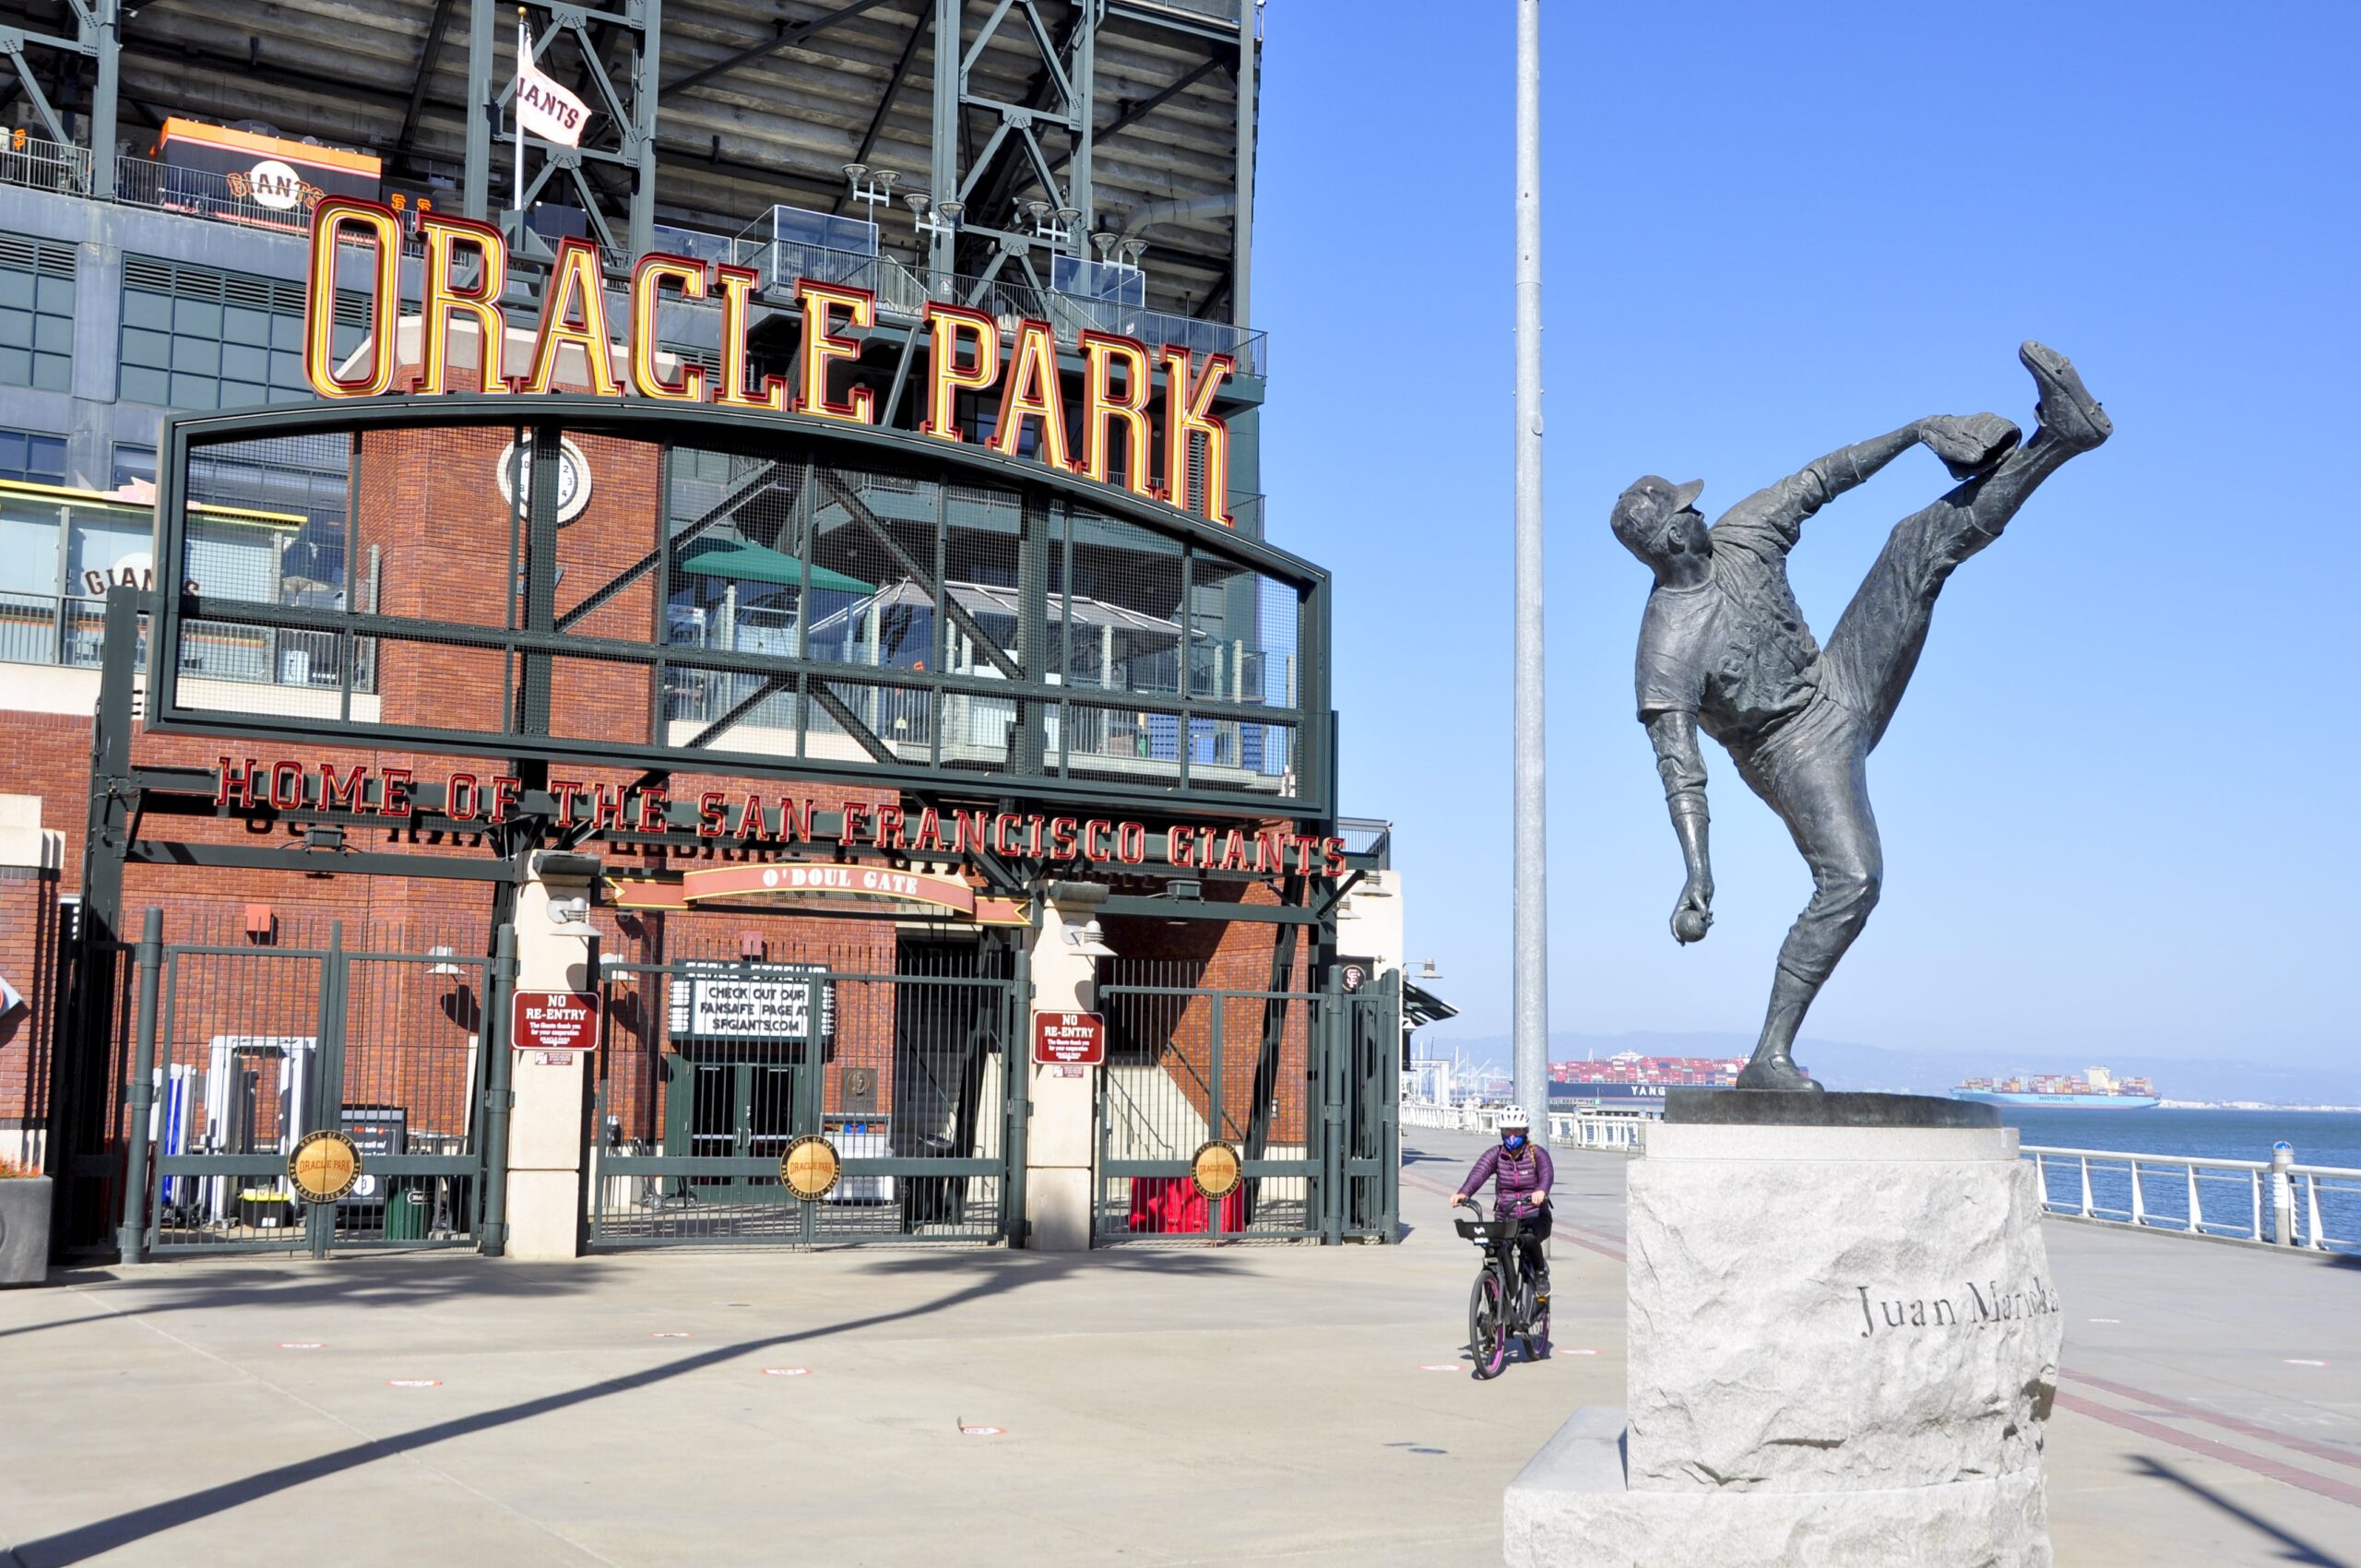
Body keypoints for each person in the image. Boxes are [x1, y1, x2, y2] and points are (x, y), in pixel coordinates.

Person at [1614, 342, 2112, 1090]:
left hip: (1836, 680)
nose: (1703, 511)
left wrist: (1918, 431)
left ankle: (2063, 438)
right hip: (1789, 751)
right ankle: (1769, 1058)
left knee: (1916, 544)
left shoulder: (1743, 534)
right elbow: (1680, 770)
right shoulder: (1665, 646)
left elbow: (1824, 478)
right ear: (1669, 537)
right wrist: (1697, 873)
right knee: (1852, 878)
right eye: (1689, 510)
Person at [1450, 1107, 1553, 1307]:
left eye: (1517, 1131)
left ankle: (1540, 1273)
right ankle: (1495, 1299)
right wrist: (1463, 1193)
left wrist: (1541, 1192)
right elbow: (1479, 1173)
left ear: (1525, 1131)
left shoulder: (1537, 1154)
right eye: (1507, 1131)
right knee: (1494, 1251)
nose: (1512, 1136)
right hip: (1506, 1218)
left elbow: (1547, 1176)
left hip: (1534, 1216)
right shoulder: (1497, 1154)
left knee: (1528, 1238)